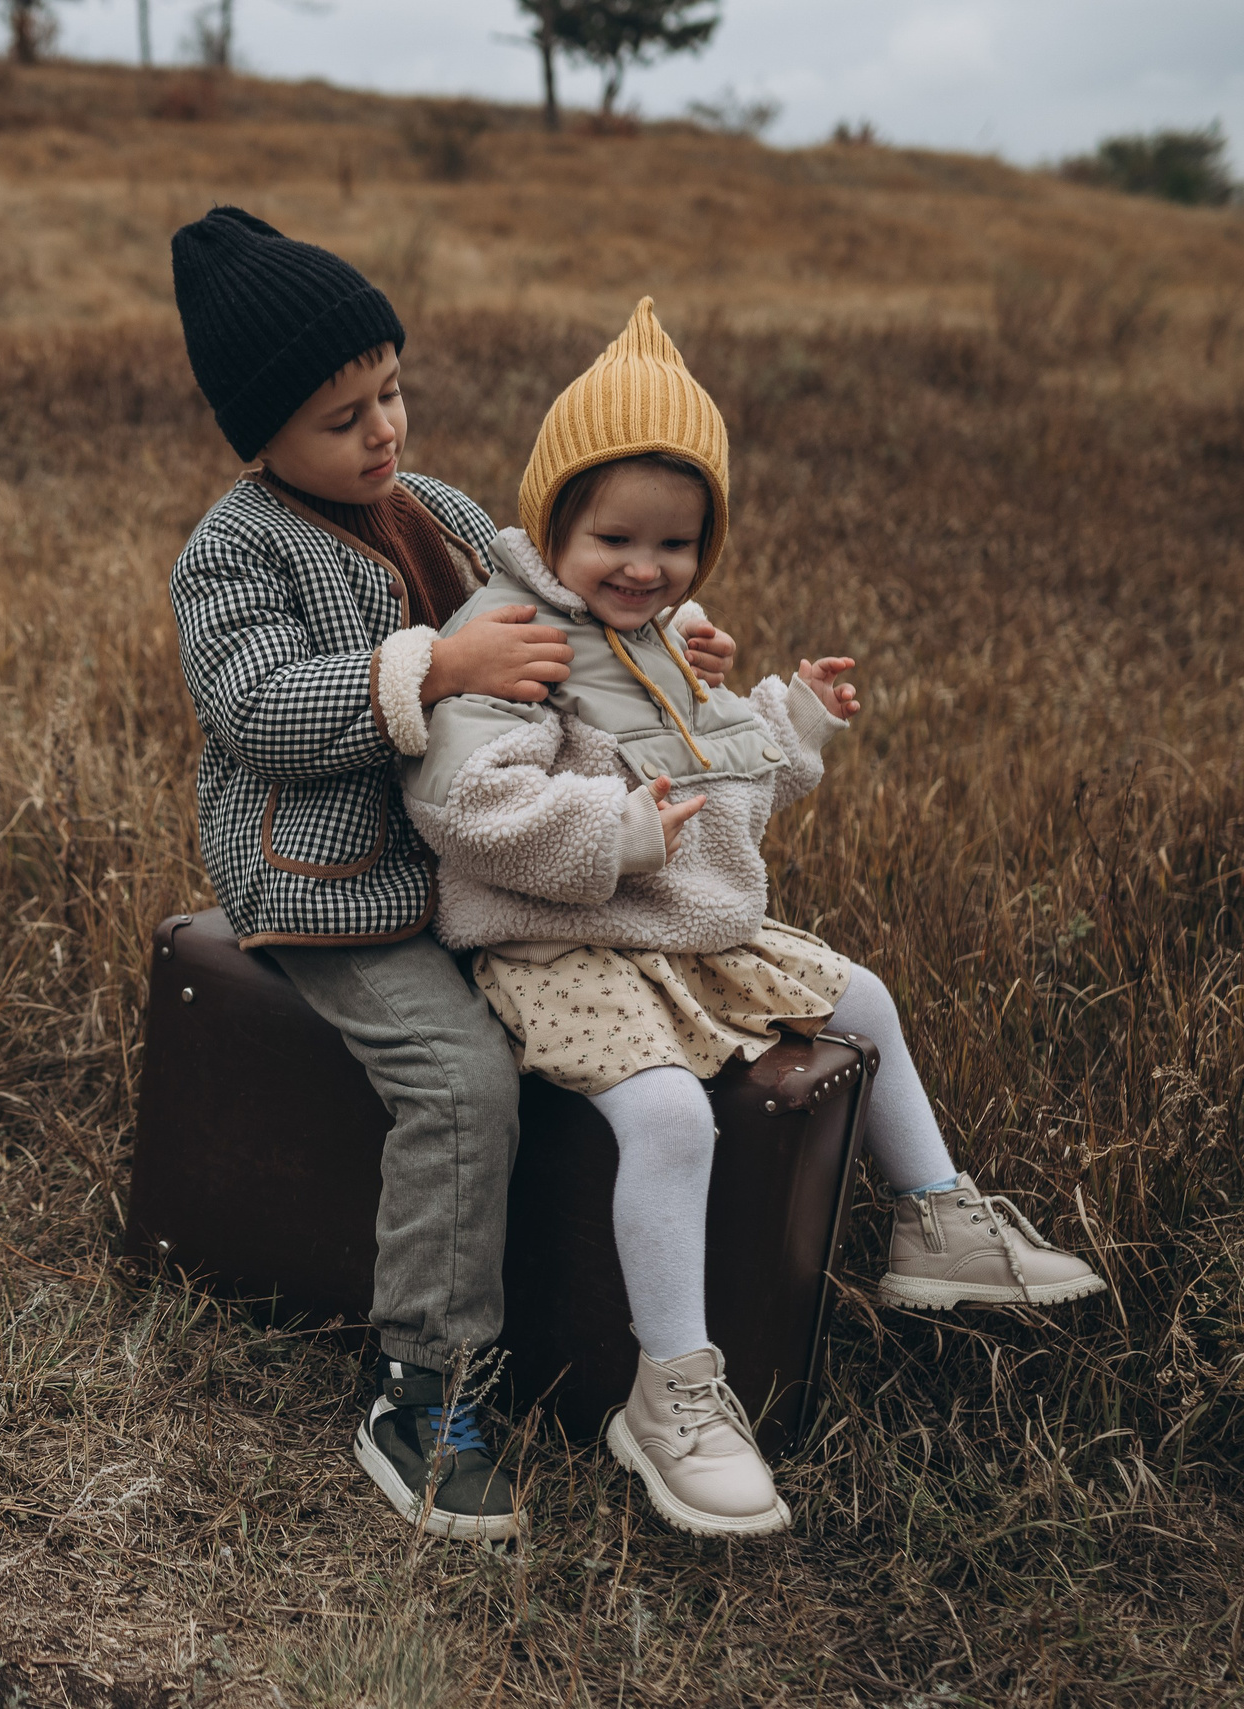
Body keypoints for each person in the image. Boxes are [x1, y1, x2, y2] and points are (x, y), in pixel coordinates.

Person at [404, 298, 1107, 1539]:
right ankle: (671, 1390)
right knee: (669, 1115)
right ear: (550, 523)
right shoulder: (511, 635)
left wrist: (791, 717)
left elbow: (721, 785)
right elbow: (463, 804)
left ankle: (934, 1219)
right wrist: (611, 830)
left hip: (670, 930)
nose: (645, 566)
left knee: (862, 997)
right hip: (556, 944)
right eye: (613, 536)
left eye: (676, 543)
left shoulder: (666, 640)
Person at [164, 209, 741, 1544]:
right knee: (461, 1077)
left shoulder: (440, 510)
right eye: (341, 417)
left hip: (481, 862)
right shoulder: (234, 551)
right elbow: (255, 706)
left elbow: (567, 601)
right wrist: (434, 666)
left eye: (391, 391)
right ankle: (422, 1386)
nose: (382, 431)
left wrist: (668, 636)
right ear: (258, 436)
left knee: (656, 992)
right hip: (334, 888)